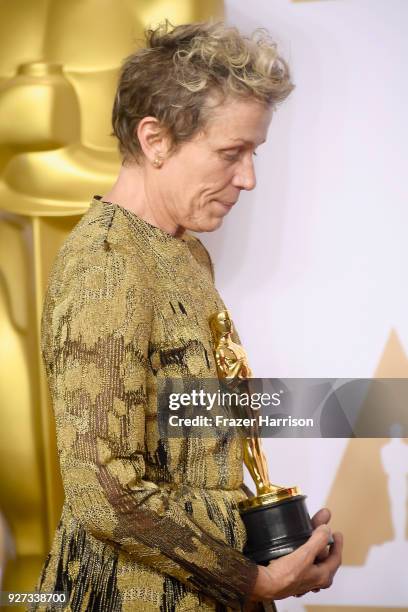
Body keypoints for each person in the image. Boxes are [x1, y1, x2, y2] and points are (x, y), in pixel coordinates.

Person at [33, 21, 343, 612]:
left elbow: (185, 438)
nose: (248, 179)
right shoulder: (106, 265)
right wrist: (250, 580)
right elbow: (103, 489)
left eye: (253, 153)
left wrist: (274, 537)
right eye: (231, 153)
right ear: (155, 140)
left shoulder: (184, 252)